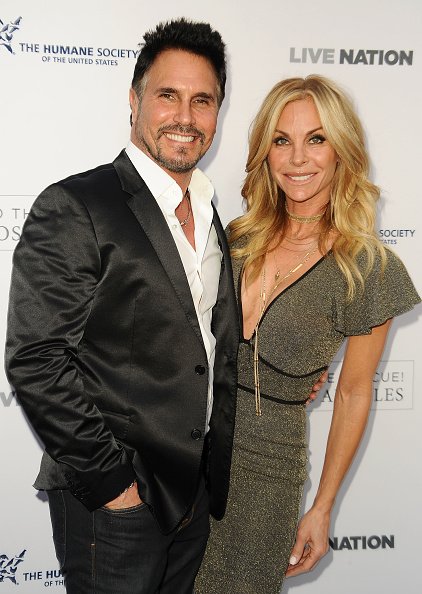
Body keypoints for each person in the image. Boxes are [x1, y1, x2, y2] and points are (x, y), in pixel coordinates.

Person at [5, 18, 240, 594]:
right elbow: (36, 359)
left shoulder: (209, 210)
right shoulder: (75, 205)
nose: (186, 116)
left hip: (193, 493)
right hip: (116, 503)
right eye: (168, 96)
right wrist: (115, 487)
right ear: (134, 102)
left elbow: (198, 338)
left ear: (217, 113)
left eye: (202, 100)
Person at [195, 75, 420, 594]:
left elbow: (354, 391)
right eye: (282, 140)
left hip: (265, 480)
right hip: (185, 460)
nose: (298, 158)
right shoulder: (233, 238)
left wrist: (322, 508)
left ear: (342, 150)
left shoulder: (368, 269)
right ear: (265, 153)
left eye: (316, 139)